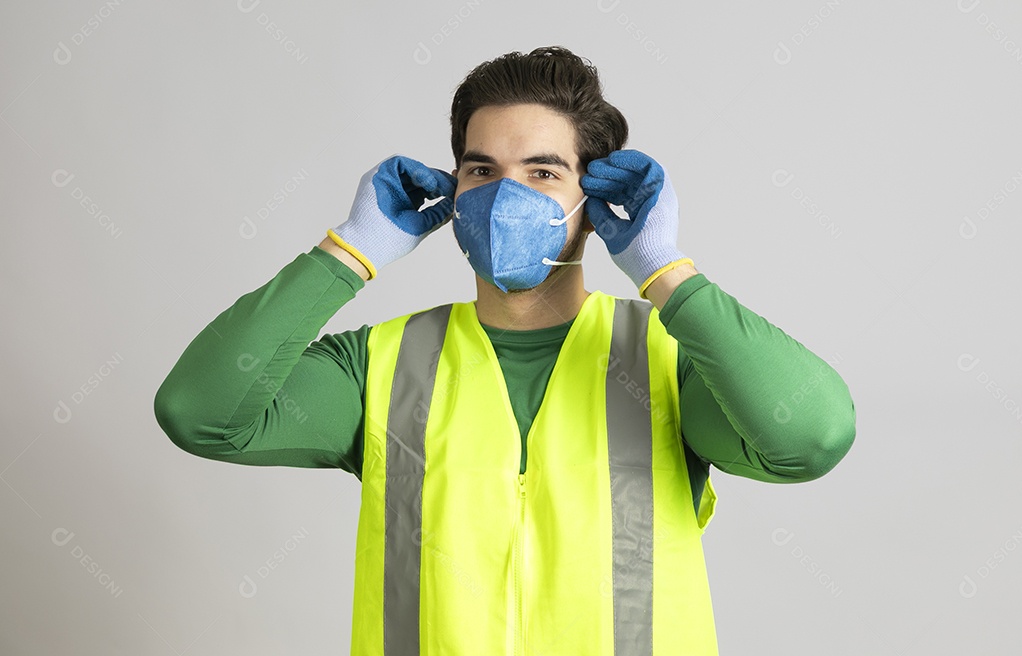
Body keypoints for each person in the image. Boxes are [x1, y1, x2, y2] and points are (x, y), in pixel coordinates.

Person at [155, 45, 856, 656]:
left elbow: (811, 436)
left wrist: (663, 269)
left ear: (600, 200)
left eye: (544, 173)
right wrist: (350, 252)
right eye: (481, 171)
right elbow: (199, 412)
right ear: (455, 192)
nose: (503, 197)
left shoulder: (669, 364)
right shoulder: (381, 366)